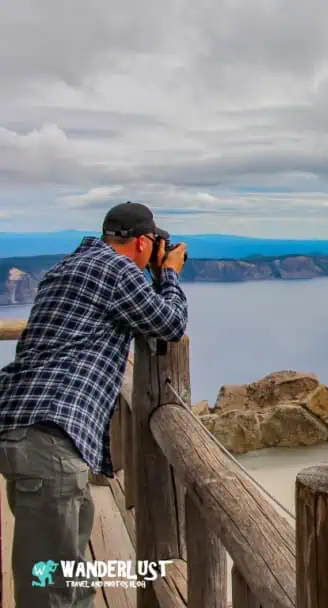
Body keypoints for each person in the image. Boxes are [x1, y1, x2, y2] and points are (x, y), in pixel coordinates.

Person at [0, 201, 188, 607]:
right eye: (154, 244)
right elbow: (170, 323)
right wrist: (168, 273)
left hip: (30, 432)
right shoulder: (117, 270)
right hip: (50, 438)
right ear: (142, 241)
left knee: (67, 576)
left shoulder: (67, 267)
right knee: (52, 588)